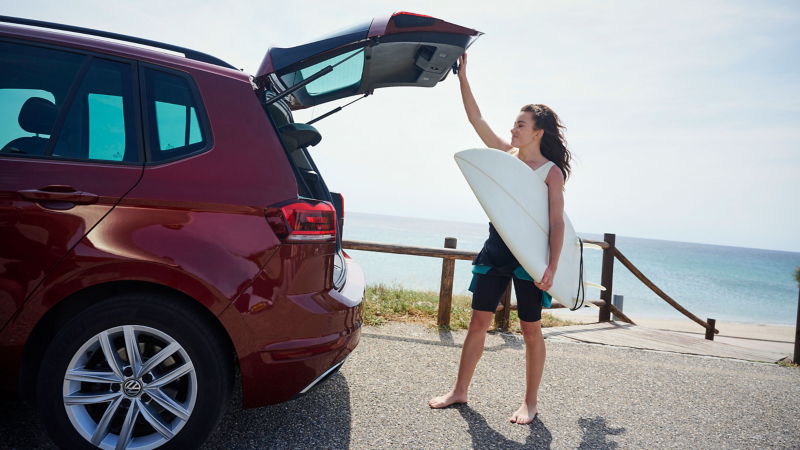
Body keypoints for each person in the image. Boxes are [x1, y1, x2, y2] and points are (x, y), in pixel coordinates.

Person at [429, 53, 573, 425]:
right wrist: (463, 77)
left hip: (529, 257)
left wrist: (553, 265)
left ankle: (530, 402)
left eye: (521, 125)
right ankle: (459, 390)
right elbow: (476, 119)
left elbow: (556, 224)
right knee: (478, 322)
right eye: (514, 124)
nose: (513, 130)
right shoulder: (505, 156)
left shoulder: (550, 173)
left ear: (537, 132)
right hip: (496, 250)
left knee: (529, 329)